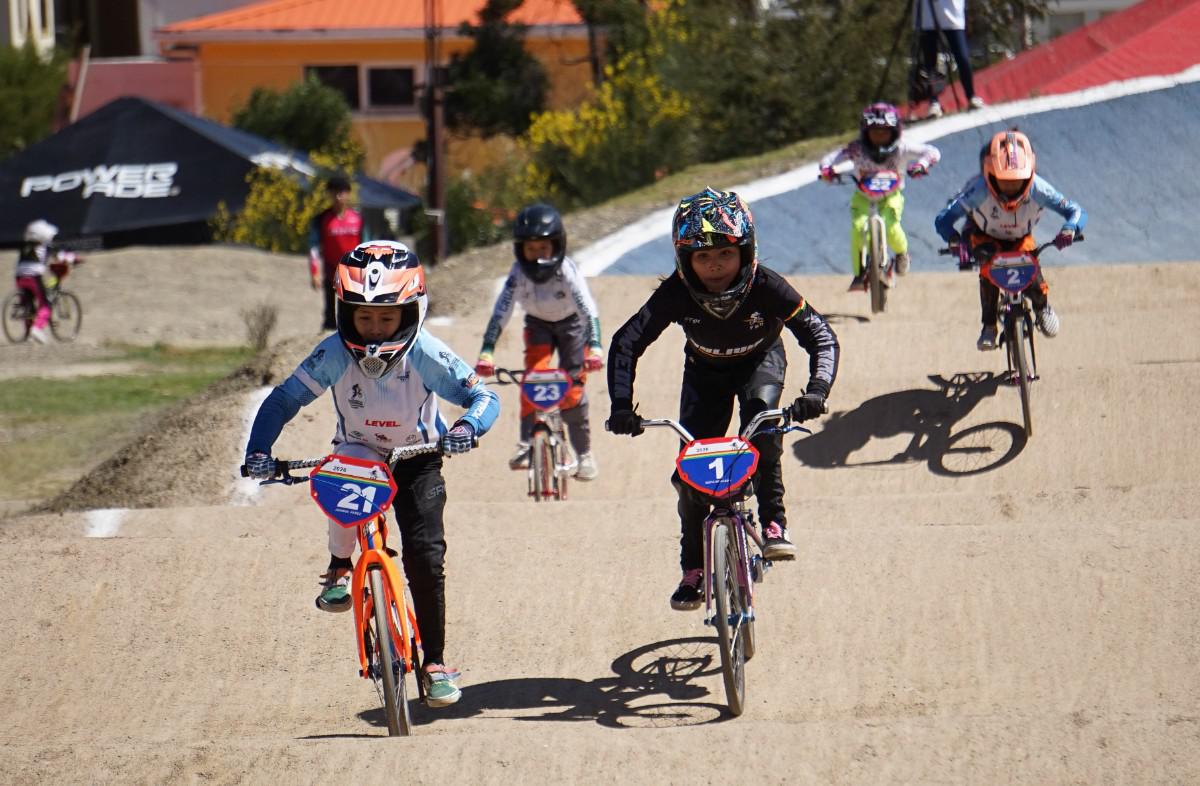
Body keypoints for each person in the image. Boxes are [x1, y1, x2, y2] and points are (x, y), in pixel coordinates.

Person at [243, 239, 499, 708]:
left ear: (412, 311)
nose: (376, 329)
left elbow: (484, 398)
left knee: (427, 554)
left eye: (387, 318)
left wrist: (466, 427)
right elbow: (283, 400)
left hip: (419, 455)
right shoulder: (334, 352)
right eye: (364, 317)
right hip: (359, 452)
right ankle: (340, 566)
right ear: (345, 314)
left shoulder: (426, 352)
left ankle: (435, 662)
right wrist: (259, 449)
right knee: (339, 481)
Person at [606, 187, 840, 611]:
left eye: (725, 255)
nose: (715, 266)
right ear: (684, 260)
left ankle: (773, 525)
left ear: (747, 252)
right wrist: (621, 406)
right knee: (688, 475)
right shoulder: (675, 293)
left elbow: (820, 335)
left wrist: (816, 391)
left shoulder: (768, 286)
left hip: (761, 363)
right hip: (704, 373)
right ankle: (692, 570)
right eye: (702, 257)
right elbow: (626, 343)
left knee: (764, 431)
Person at [474, 203, 605, 481]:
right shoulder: (518, 274)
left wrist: (594, 346)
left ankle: (584, 455)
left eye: (543, 248)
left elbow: (587, 309)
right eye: (530, 249)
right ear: (520, 250)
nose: (536, 256)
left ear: (557, 246)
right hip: (537, 325)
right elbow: (502, 310)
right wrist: (487, 351)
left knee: (573, 390)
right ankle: (525, 444)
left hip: (572, 326)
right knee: (532, 379)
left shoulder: (567, 271)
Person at [934, 129, 1087, 351]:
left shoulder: (1039, 188)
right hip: (984, 237)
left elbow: (1076, 211)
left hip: (1020, 238)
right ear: (989, 174)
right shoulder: (976, 191)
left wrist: (1070, 228)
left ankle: (1042, 307)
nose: (1011, 188)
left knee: (1031, 270)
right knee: (987, 269)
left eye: (1018, 182)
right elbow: (943, 220)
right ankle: (989, 325)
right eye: (1004, 182)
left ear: (1030, 173)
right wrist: (955, 241)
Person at [819, 103, 942, 290]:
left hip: (890, 197)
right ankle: (859, 274)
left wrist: (922, 164)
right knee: (857, 230)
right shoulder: (856, 149)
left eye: (884, 132)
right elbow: (829, 159)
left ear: (895, 132)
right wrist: (827, 170)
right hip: (862, 197)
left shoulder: (903, 148)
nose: (879, 137)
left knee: (892, 227)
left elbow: (932, 151)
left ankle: (901, 254)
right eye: (874, 133)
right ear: (865, 132)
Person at [308, 176, 364, 331]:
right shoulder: (322, 220)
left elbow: (366, 245)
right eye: (334, 193)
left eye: (342, 192)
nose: (339, 197)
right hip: (331, 271)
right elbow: (313, 248)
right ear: (329, 195)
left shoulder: (358, 219)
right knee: (331, 312)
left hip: (354, 274)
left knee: (354, 309)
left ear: (348, 194)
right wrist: (314, 272)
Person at [915, 0, 985, 118]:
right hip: (927, 14)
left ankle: (971, 96)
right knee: (930, 61)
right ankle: (934, 102)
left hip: (952, 12)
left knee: (962, 57)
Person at [14, 219, 75, 344]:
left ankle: (29, 332)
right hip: (33, 276)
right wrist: (74, 259)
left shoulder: (25, 245)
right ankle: (37, 329)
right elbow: (62, 256)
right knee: (45, 305)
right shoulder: (45, 246)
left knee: (28, 304)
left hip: (19, 276)